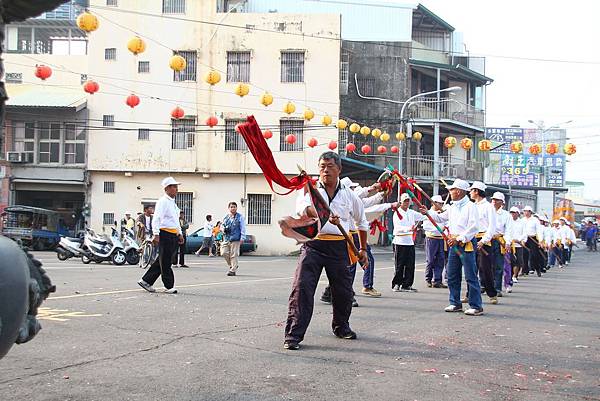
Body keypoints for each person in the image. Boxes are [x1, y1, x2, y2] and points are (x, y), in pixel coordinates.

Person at [284, 152, 368, 350]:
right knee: (302, 288)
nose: (325, 170)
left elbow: (361, 222)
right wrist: (321, 212)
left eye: (330, 166)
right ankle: (293, 335)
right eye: (322, 166)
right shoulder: (310, 191)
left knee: (343, 292)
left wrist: (362, 248)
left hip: (339, 246)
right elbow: (304, 210)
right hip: (314, 245)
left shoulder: (349, 195)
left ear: (339, 169)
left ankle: (341, 327)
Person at [422, 178, 483, 316]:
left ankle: (476, 305)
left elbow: (474, 227)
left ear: (459, 191)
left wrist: (460, 238)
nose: (450, 192)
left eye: (452, 189)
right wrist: (427, 212)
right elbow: (441, 218)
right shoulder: (452, 207)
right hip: (453, 243)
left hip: (466, 244)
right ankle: (455, 302)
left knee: (470, 275)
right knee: (452, 274)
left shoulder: (471, 206)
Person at [137, 177, 184, 294]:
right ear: (167, 188)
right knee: (166, 261)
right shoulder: (163, 201)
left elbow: (175, 221)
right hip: (165, 233)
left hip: (173, 234)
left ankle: (146, 280)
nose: (176, 189)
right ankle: (169, 286)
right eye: (174, 187)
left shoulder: (172, 203)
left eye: (176, 187)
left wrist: (179, 233)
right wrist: (156, 234)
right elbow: (157, 218)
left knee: (162, 260)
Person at [468, 181, 498, 304]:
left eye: (471, 190)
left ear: (476, 191)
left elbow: (492, 227)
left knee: (485, 269)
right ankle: (469, 294)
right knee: (471, 269)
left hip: (483, 240)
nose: (470, 193)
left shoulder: (488, 207)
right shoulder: (471, 206)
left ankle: (492, 294)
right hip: (471, 238)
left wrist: (484, 241)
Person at [391, 193, 426, 292]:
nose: (406, 203)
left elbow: (423, 216)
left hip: (409, 242)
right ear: (401, 202)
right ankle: (396, 284)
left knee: (410, 265)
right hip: (399, 241)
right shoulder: (397, 213)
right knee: (399, 265)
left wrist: (427, 212)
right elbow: (397, 228)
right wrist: (408, 229)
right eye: (404, 201)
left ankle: (407, 284)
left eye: (407, 201)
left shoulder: (411, 212)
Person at [423, 195, 447, 288]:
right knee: (430, 260)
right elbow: (426, 226)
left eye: (441, 203)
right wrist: (438, 229)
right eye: (439, 203)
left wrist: (443, 228)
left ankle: (437, 280)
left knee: (440, 260)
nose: (441, 205)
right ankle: (428, 279)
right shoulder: (428, 213)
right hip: (431, 238)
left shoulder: (442, 213)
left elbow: (446, 224)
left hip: (440, 239)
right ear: (434, 203)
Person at [490, 192, 510, 296]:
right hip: (487, 239)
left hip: (499, 240)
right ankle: (484, 285)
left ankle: (497, 288)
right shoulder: (487, 211)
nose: (494, 201)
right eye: (493, 199)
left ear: (502, 202)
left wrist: (507, 243)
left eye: (497, 200)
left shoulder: (506, 215)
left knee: (498, 265)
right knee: (485, 265)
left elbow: (508, 230)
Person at [221, 202, 246, 276]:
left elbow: (243, 228)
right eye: (231, 207)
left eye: (234, 207)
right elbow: (222, 226)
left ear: (236, 208)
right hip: (226, 238)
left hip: (236, 238)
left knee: (234, 254)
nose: (233, 208)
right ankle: (233, 265)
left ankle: (233, 270)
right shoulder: (226, 217)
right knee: (224, 252)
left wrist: (242, 237)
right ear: (229, 208)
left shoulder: (240, 217)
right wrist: (223, 229)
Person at [504, 206, 526, 287]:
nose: (512, 214)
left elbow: (524, 233)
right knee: (510, 261)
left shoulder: (522, 222)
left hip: (518, 244)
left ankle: (514, 276)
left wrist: (519, 239)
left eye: (514, 212)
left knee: (518, 261)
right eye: (511, 212)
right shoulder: (508, 221)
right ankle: (510, 275)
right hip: (509, 244)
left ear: (518, 213)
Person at [522, 206, 543, 277]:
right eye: (525, 211)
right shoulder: (522, 220)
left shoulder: (535, 220)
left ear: (531, 212)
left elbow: (539, 231)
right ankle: (525, 270)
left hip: (533, 239)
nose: (526, 213)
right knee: (524, 255)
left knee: (534, 255)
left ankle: (537, 269)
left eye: (528, 211)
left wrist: (540, 240)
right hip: (524, 238)